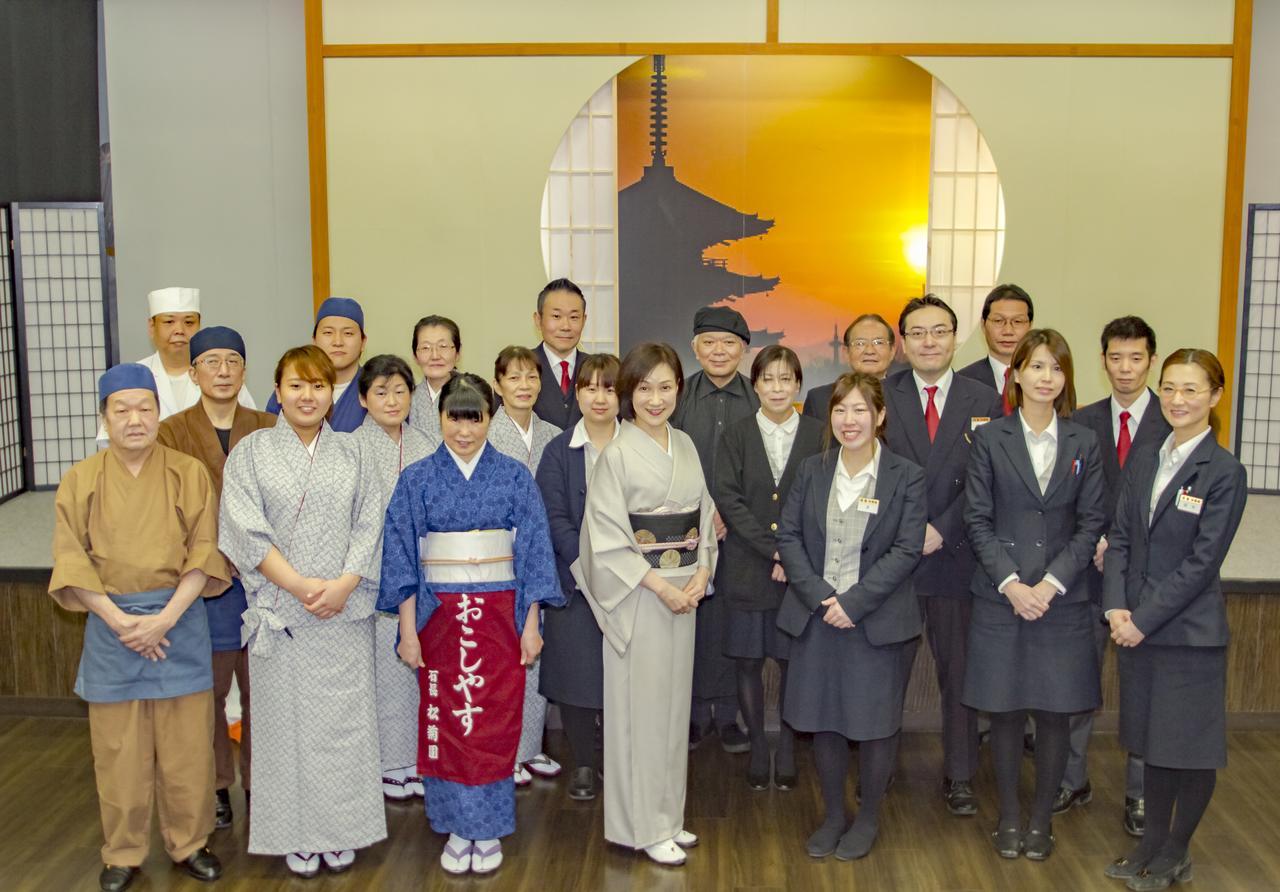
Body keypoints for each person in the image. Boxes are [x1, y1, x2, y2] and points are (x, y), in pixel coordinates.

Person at [52, 363, 229, 892]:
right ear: (104, 417)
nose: (135, 419)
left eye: (145, 408)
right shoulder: (80, 480)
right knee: (118, 753)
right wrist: (120, 620)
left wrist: (165, 618)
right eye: (121, 409)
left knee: (187, 751)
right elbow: (71, 560)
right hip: (113, 626)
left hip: (178, 620)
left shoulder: (188, 473)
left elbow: (204, 549)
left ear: (159, 412)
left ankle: (189, 843)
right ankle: (123, 852)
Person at [378, 373, 563, 876]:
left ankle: (489, 827)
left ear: (490, 417)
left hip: (500, 617)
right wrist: (409, 631)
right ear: (438, 418)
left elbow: (533, 552)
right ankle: (457, 826)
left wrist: (531, 624)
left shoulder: (513, 476)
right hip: (438, 618)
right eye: (454, 418)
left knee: (494, 721)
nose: (463, 430)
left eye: (474, 418)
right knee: (445, 717)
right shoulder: (416, 478)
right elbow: (401, 558)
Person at [219, 345, 387, 876]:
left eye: (318, 385)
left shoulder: (354, 454)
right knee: (283, 732)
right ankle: (293, 832)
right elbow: (244, 529)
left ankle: (341, 831)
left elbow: (372, 524)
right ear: (278, 390)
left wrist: (342, 586)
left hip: (341, 614)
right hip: (282, 613)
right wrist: (298, 585)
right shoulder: (250, 453)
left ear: (331, 392)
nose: (308, 395)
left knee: (343, 730)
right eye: (296, 385)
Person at [1102, 349, 1247, 890]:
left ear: (1214, 396)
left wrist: (1142, 619)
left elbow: (1202, 563)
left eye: (1191, 390)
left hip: (1187, 636)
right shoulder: (1145, 458)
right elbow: (1118, 538)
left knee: (1189, 748)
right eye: (1169, 388)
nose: (1177, 400)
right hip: (1136, 626)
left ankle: (1176, 850)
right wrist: (1116, 606)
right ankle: (1151, 843)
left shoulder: (1225, 470)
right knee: (1153, 743)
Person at [963, 328, 1106, 862]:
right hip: (1001, 597)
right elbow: (976, 520)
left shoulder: (1083, 441)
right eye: (1038, 367)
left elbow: (1091, 523)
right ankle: (1009, 816)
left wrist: (1048, 584)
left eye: (1057, 368)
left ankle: (1042, 819)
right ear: (1017, 373)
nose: (1047, 378)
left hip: (1061, 600)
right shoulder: (988, 438)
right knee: (1002, 713)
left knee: (1053, 715)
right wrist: (1012, 584)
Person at [573, 342, 716, 866]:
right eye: (644, 388)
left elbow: (704, 521)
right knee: (641, 713)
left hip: (685, 594)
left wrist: (701, 572)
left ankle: (668, 816)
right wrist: (661, 587)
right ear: (627, 393)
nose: (655, 399)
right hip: (640, 596)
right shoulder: (615, 454)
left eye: (666, 386)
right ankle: (639, 825)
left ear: (680, 389)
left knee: (674, 709)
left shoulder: (687, 446)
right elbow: (605, 539)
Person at [776, 372, 926, 861]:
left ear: (879, 416)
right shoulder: (813, 470)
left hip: (874, 621)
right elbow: (791, 540)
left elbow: (906, 550)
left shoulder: (906, 475)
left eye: (860, 410)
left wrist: (854, 602)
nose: (849, 420)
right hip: (817, 617)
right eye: (840, 410)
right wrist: (822, 597)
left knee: (875, 722)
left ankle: (867, 818)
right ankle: (834, 815)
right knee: (825, 720)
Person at [881, 295, 1004, 818]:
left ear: (956, 338)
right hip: (896, 560)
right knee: (885, 672)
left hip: (957, 558)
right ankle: (877, 770)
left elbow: (989, 480)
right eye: (917, 333)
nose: (928, 342)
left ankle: (959, 775)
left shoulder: (987, 399)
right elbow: (872, 476)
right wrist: (913, 533)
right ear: (902, 342)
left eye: (939, 332)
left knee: (960, 675)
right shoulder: (881, 394)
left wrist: (942, 528)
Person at [157, 326, 276, 832]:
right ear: (193, 371)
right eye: (211, 362)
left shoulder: (270, 424)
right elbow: (166, 508)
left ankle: (261, 780)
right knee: (209, 690)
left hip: (268, 579)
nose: (223, 370)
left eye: (232, 361)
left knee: (264, 689)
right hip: (207, 582)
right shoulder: (171, 431)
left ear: (244, 370)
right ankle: (218, 786)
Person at [1059, 316, 1170, 836]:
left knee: (1141, 689)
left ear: (1151, 360)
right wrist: (1097, 542)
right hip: (1086, 574)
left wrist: (1121, 547)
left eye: (1136, 358)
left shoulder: (1173, 426)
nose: (1125, 369)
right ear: (1102, 360)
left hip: (1144, 582)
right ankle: (1070, 779)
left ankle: (1140, 793)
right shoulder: (1081, 422)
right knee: (1078, 681)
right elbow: (1068, 500)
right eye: (1115, 357)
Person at [713, 345, 824, 791]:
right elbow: (729, 499)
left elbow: (823, 502)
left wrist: (792, 556)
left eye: (786, 379)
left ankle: (791, 747)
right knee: (747, 663)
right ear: (754, 384)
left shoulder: (820, 433)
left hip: (801, 574)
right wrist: (773, 551)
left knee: (795, 662)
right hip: (746, 567)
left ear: (798, 385)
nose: (777, 387)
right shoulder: (736, 434)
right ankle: (759, 745)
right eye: (768, 379)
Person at [349, 355, 439, 801]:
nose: (391, 400)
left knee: (418, 671)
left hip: (423, 575)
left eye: (400, 391)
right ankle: (387, 763)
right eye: (380, 392)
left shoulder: (426, 444)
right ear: (363, 399)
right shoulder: (349, 448)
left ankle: (419, 760)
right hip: (370, 577)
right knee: (381, 674)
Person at [534, 352, 622, 801]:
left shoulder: (639, 444)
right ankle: (584, 763)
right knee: (578, 678)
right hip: (575, 584)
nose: (600, 397)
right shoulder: (558, 450)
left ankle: (617, 759)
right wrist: (586, 566)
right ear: (577, 393)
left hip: (632, 586)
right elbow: (553, 516)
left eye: (609, 388)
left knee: (623, 676)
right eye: (590, 387)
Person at [670, 305, 758, 753]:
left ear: (744, 350)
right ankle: (685, 715)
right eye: (710, 342)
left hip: (742, 532)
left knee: (728, 621)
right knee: (688, 617)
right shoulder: (677, 396)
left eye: (729, 343)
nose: (719, 351)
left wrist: (730, 514)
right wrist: (702, 515)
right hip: (684, 531)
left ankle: (727, 715)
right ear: (695, 348)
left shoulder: (759, 397)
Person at [486, 345, 564, 784]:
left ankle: (530, 747)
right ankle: (505, 751)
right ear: (497, 385)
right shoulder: (485, 433)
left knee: (534, 652)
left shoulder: (554, 433)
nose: (523, 386)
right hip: (500, 560)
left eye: (531, 377)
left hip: (544, 557)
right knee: (504, 658)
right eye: (513, 378)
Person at [95, 286, 256, 447]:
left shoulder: (225, 378)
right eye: (169, 322)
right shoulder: (131, 377)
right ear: (152, 327)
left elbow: (252, 430)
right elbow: (109, 443)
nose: (179, 330)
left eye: (189, 322)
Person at [265, 297, 367, 431]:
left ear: (363, 342)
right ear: (314, 340)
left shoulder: (374, 389)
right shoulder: (291, 389)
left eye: (348, 333)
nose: (337, 342)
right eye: (328, 333)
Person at [802, 313, 898, 419]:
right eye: (860, 343)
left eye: (878, 342)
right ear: (846, 352)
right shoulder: (819, 399)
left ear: (892, 351)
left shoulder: (909, 397)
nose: (870, 350)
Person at [957, 283, 1034, 400]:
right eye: (998, 320)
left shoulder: (1046, 380)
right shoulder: (961, 382)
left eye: (1017, 321)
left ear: (1030, 326)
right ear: (983, 325)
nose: (1008, 331)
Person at [532, 278, 590, 429]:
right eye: (556, 316)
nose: (565, 326)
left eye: (574, 317)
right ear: (538, 320)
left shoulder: (597, 369)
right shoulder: (519, 369)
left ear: (584, 320)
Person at [408, 315, 462, 441]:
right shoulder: (407, 398)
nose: (435, 355)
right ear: (415, 356)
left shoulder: (475, 394)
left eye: (443, 346)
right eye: (426, 348)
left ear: (458, 353)